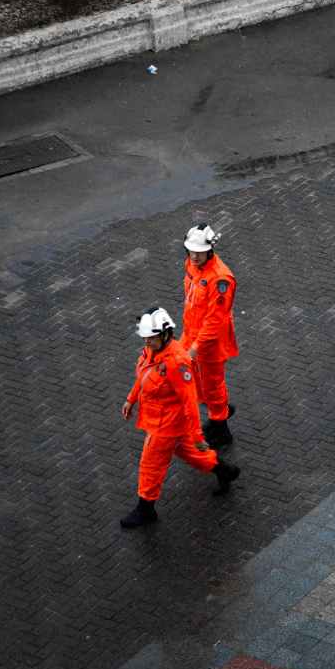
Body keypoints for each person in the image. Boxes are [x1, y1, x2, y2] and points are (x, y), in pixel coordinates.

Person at [120, 308, 240, 529]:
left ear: (165, 334)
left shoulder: (177, 363)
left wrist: (196, 435)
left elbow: (189, 402)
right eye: (146, 337)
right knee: (193, 454)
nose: (147, 341)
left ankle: (145, 509)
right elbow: (144, 374)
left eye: (151, 337)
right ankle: (225, 471)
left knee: (151, 464)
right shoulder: (151, 352)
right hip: (164, 421)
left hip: (166, 426)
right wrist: (131, 398)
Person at [182, 223, 238, 447]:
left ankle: (221, 429)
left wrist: (195, 348)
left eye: (199, 251)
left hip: (209, 343)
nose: (194, 256)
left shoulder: (220, 279)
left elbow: (215, 320)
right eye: (191, 251)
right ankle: (221, 412)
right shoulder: (193, 265)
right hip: (191, 334)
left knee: (212, 384)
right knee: (197, 382)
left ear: (210, 250)